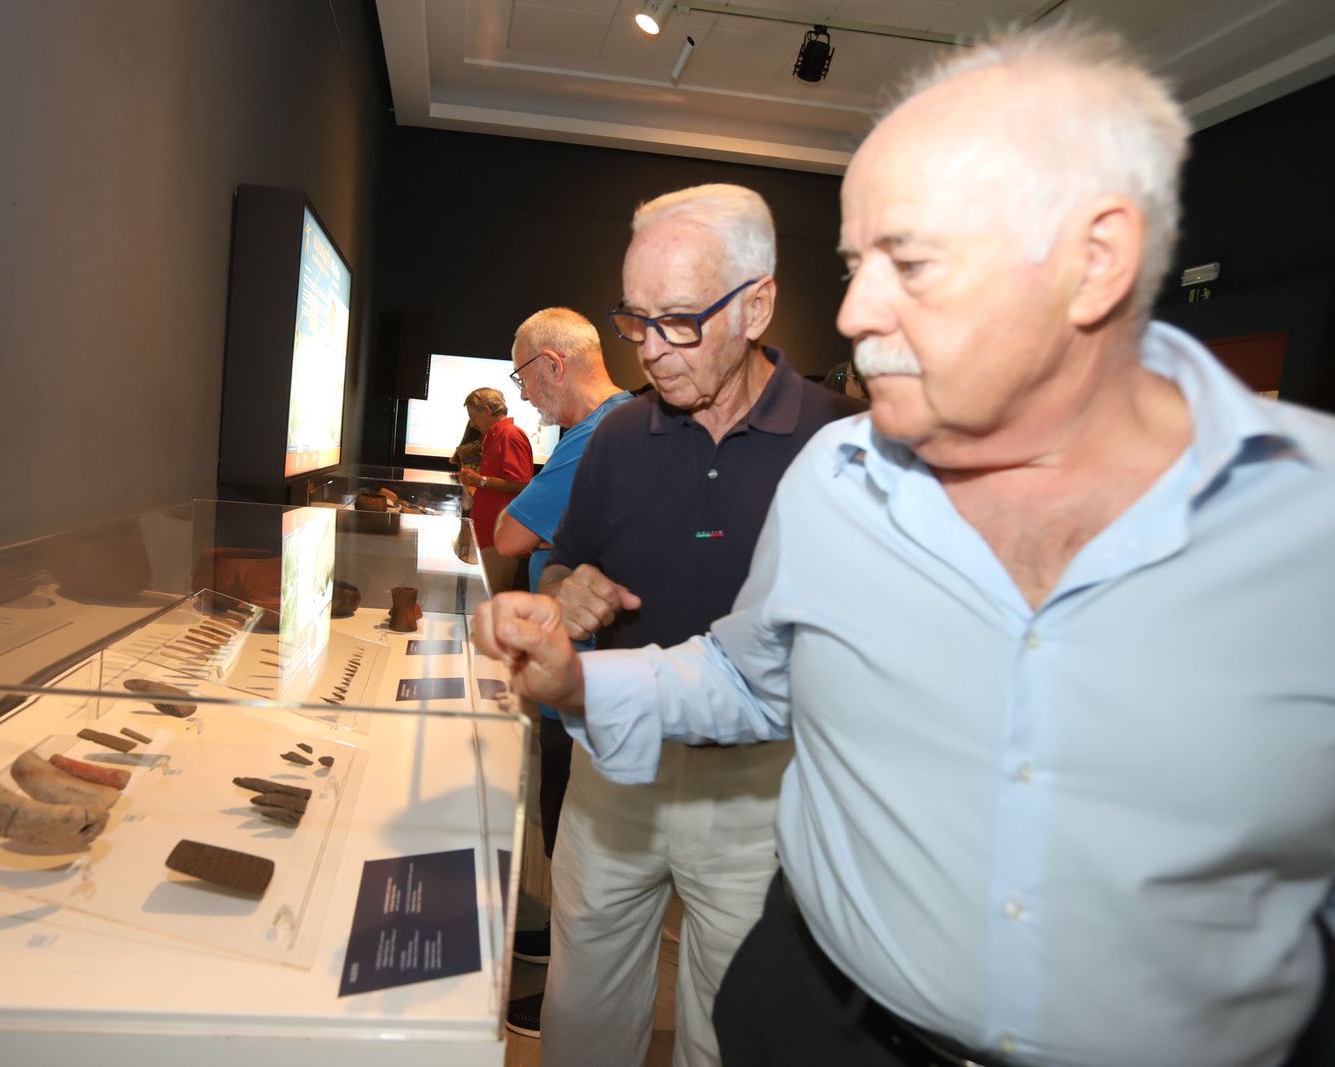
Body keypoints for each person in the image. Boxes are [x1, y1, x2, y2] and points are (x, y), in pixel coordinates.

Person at [473, 24, 1335, 1067]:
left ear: (1095, 260)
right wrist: (576, 679)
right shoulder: (843, 480)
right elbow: (749, 676)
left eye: (911, 262)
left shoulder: (1306, 525)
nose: (854, 310)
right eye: (855, 264)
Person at [529, 184, 863, 1067]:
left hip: (760, 788)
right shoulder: (618, 437)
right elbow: (563, 559)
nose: (648, 348)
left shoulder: (841, 443)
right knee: (581, 1008)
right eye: (634, 320)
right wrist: (567, 588)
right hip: (615, 767)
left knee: (730, 1027)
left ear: (756, 306)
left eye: (677, 320)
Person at [490, 307, 633, 1037]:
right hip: (575, 674)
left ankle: (564, 997)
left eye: (523, 376)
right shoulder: (602, 429)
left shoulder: (600, 431)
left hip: (587, 678)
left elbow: (509, 534)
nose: (522, 394)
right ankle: (557, 948)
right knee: (566, 828)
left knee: (581, 849)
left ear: (552, 363)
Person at [459, 387, 532, 593]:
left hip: (500, 537)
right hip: (490, 535)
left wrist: (481, 480)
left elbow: (522, 483)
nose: (472, 424)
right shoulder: (494, 436)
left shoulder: (510, 435)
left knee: (496, 595)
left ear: (486, 410)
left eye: (473, 417)